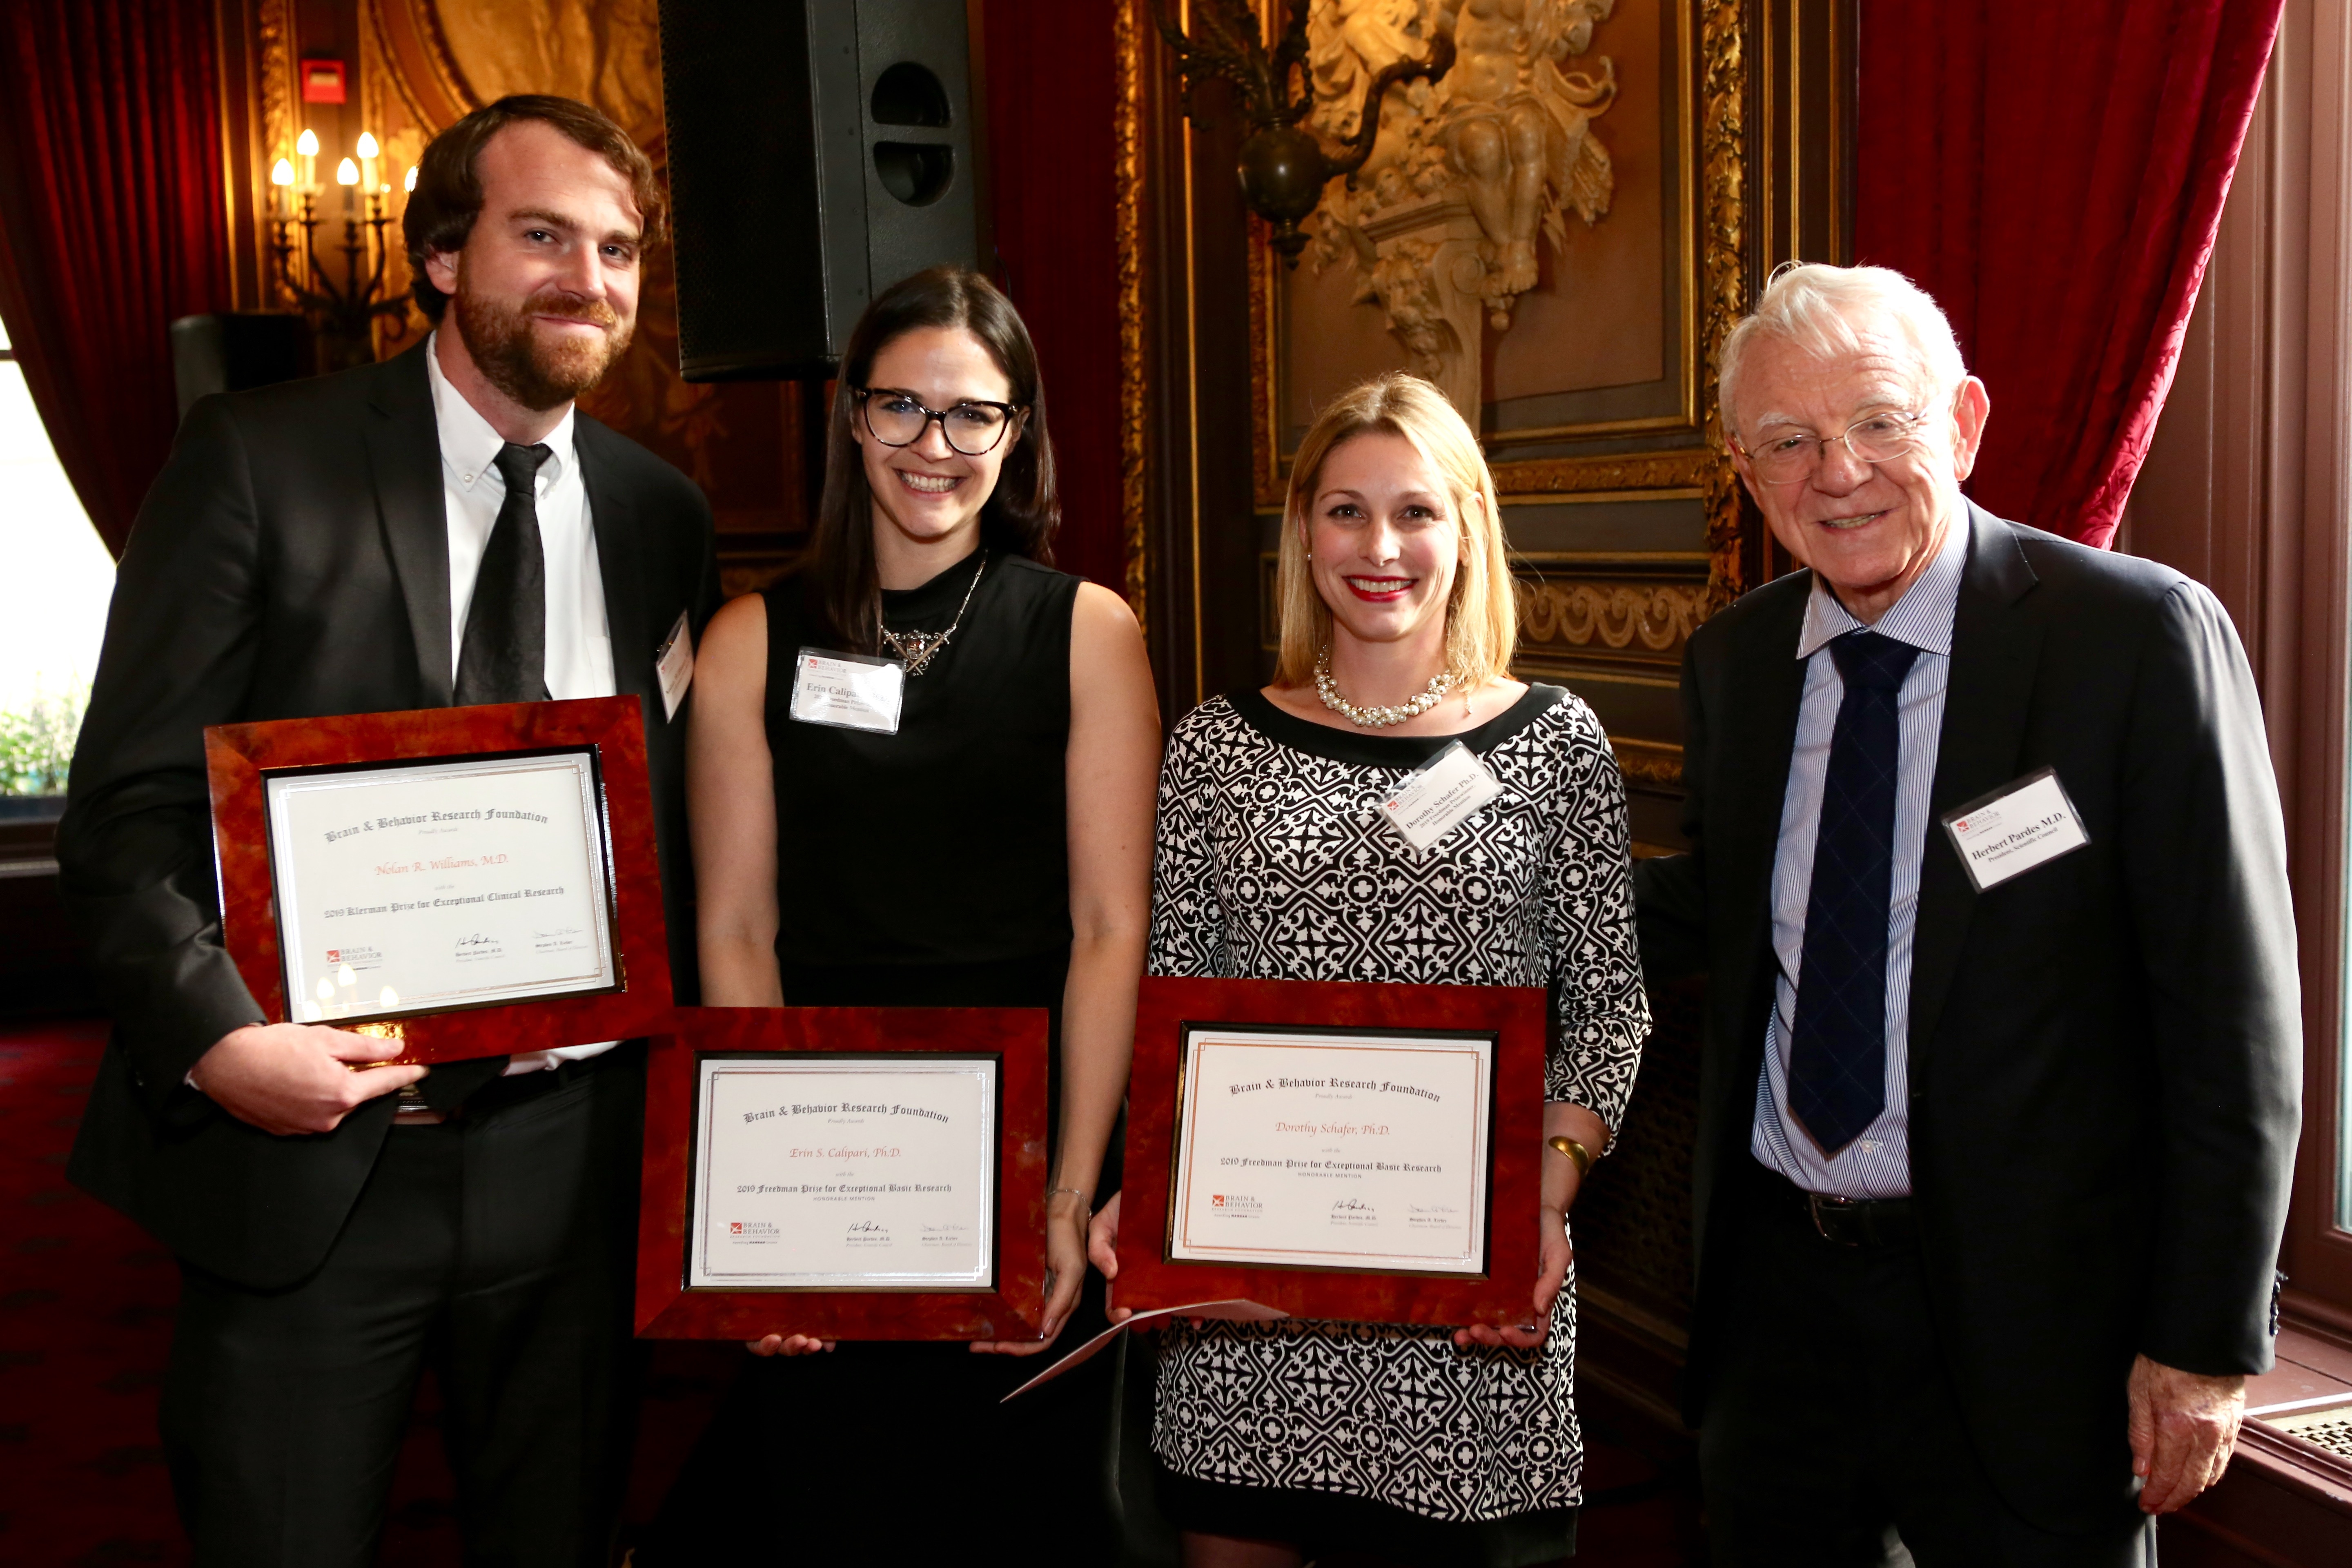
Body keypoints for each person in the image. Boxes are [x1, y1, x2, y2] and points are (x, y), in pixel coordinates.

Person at [58, 94, 718, 1565]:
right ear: (439, 253)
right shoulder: (258, 460)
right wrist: (225, 1044)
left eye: (618, 250)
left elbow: (674, 830)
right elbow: (127, 815)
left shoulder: (662, 515)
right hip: (316, 1155)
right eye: (542, 234)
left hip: (575, 1171)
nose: (587, 280)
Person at [1633, 262, 2301, 1565]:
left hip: (2037, 1329)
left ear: (1965, 423)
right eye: (1789, 442)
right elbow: (1705, 919)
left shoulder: (2135, 639)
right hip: (1781, 1314)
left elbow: (2237, 1015)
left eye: (1880, 420)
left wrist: (2209, 1342)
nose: (1840, 473)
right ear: (1745, 472)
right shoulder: (1736, 668)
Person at [639, 265, 1160, 1564]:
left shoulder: (1089, 630)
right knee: (840, 1508)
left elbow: (1109, 929)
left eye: (973, 414)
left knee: (1024, 1524)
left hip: (1027, 1152)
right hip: (825, 1153)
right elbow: (738, 932)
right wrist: (762, 1213)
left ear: (1017, 432)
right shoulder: (752, 638)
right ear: (851, 424)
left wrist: (1069, 1195)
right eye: (901, 410)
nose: (936, 447)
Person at [1089, 371, 1651, 1568]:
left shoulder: (1556, 743)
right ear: (1303, 531)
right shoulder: (1215, 747)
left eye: (1415, 511)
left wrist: (1542, 1201)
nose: (1380, 546)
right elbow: (1174, 1008)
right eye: (1346, 511)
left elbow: (1608, 1010)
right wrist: (1145, 1187)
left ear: (1467, 528)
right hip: (1249, 1322)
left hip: (1473, 1314)